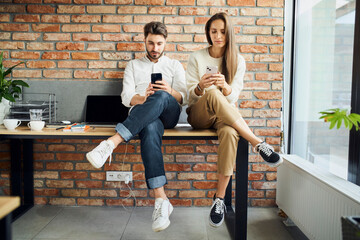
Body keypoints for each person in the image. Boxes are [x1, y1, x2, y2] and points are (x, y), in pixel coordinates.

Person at [86, 22, 187, 232]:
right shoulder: (133, 65)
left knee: (161, 95)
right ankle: (161, 200)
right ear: (144, 41)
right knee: (149, 128)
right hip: (143, 114)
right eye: (151, 43)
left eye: (159, 43)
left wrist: (168, 91)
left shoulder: (175, 65)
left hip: (169, 113)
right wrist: (143, 97)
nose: (155, 48)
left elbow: (184, 97)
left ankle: (112, 142)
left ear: (165, 42)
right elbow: (126, 98)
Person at [185, 12, 283, 228]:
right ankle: (258, 142)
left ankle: (219, 200)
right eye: (213, 31)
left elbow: (234, 96)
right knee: (211, 93)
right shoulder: (197, 57)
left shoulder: (237, 60)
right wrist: (202, 86)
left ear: (229, 33)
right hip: (199, 115)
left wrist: (225, 86)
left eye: (222, 31)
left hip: (224, 116)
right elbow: (189, 97)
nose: (217, 36)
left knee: (230, 133)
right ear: (208, 33)